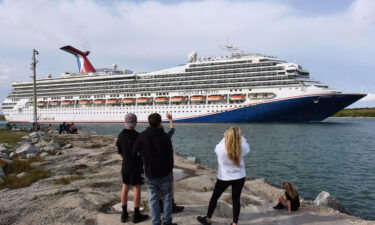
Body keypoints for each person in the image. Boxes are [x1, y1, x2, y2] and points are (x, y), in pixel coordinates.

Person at [197, 126, 250, 225]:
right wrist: (241, 136)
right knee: (236, 199)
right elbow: (247, 146)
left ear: (226, 136)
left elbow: (219, 144)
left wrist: (225, 136)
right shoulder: (242, 148)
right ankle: (235, 223)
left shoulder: (220, 149)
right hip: (239, 177)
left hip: (224, 178)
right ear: (238, 137)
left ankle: (208, 219)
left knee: (215, 197)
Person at [133, 113, 177, 225]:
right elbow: (170, 154)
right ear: (160, 122)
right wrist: (169, 169)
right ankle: (167, 221)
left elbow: (133, 152)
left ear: (149, 122)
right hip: (165, 172)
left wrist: (144, 159)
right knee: (167, 196)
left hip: (150, 172)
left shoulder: (142, 136)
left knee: (153, 199)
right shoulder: (165, 136)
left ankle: (156, 222)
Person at [116, 113, 149, 223]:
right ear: (135, 123)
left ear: (125, 122)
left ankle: (124, 215)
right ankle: (136, 214)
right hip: (136, 166)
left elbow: (120, 151)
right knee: (136, 189)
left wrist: (126, 159)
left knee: (124, 188)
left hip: (125, 165)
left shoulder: (121, 135)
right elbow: (143, 152)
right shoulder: (139, 135)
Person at [159, 114, 184, 214]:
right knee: (169, 187)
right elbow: (172, 129)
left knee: (158, 188)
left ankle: (160, 205)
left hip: (155, 167)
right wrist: (171, 120)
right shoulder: (166, 136)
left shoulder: (149, 138)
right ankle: (171, 206)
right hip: (166, 166)